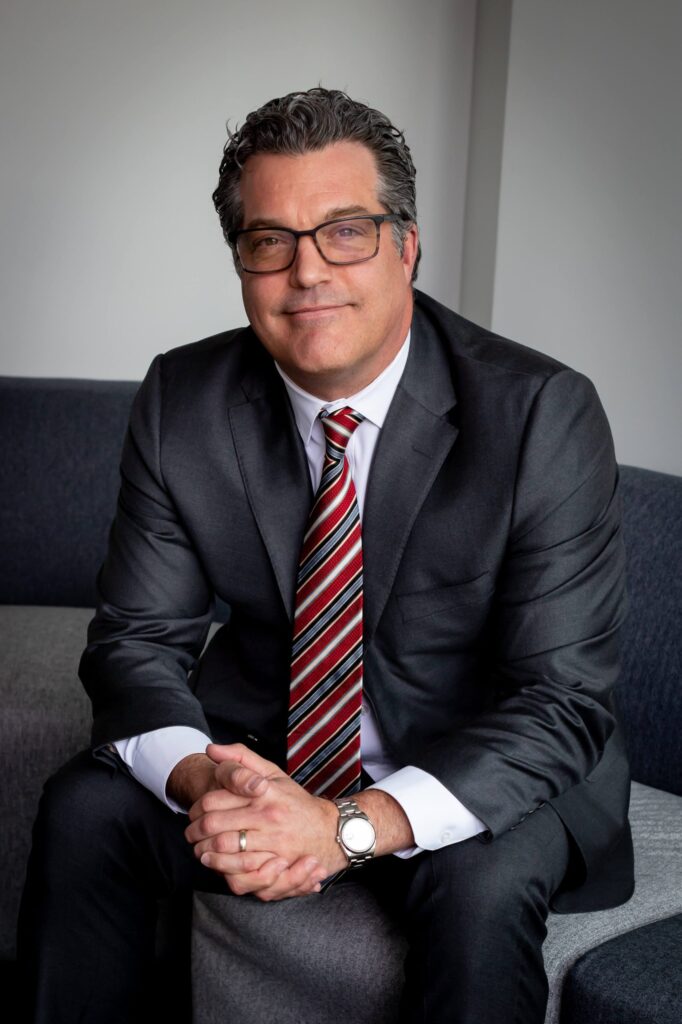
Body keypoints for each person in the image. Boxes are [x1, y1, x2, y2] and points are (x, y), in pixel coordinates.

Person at [18, 87, 633, 1024]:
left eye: (345, 231)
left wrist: (347, 827)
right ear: (241, 265)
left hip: (480, 768)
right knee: (84, 808)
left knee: (481, 885)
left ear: (407, 246)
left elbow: (562, 701)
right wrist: (217, 784)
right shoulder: (184, 397)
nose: (307, 272)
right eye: (271, 241)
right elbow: (137, 642)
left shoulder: (541, 413)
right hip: (272, 752)